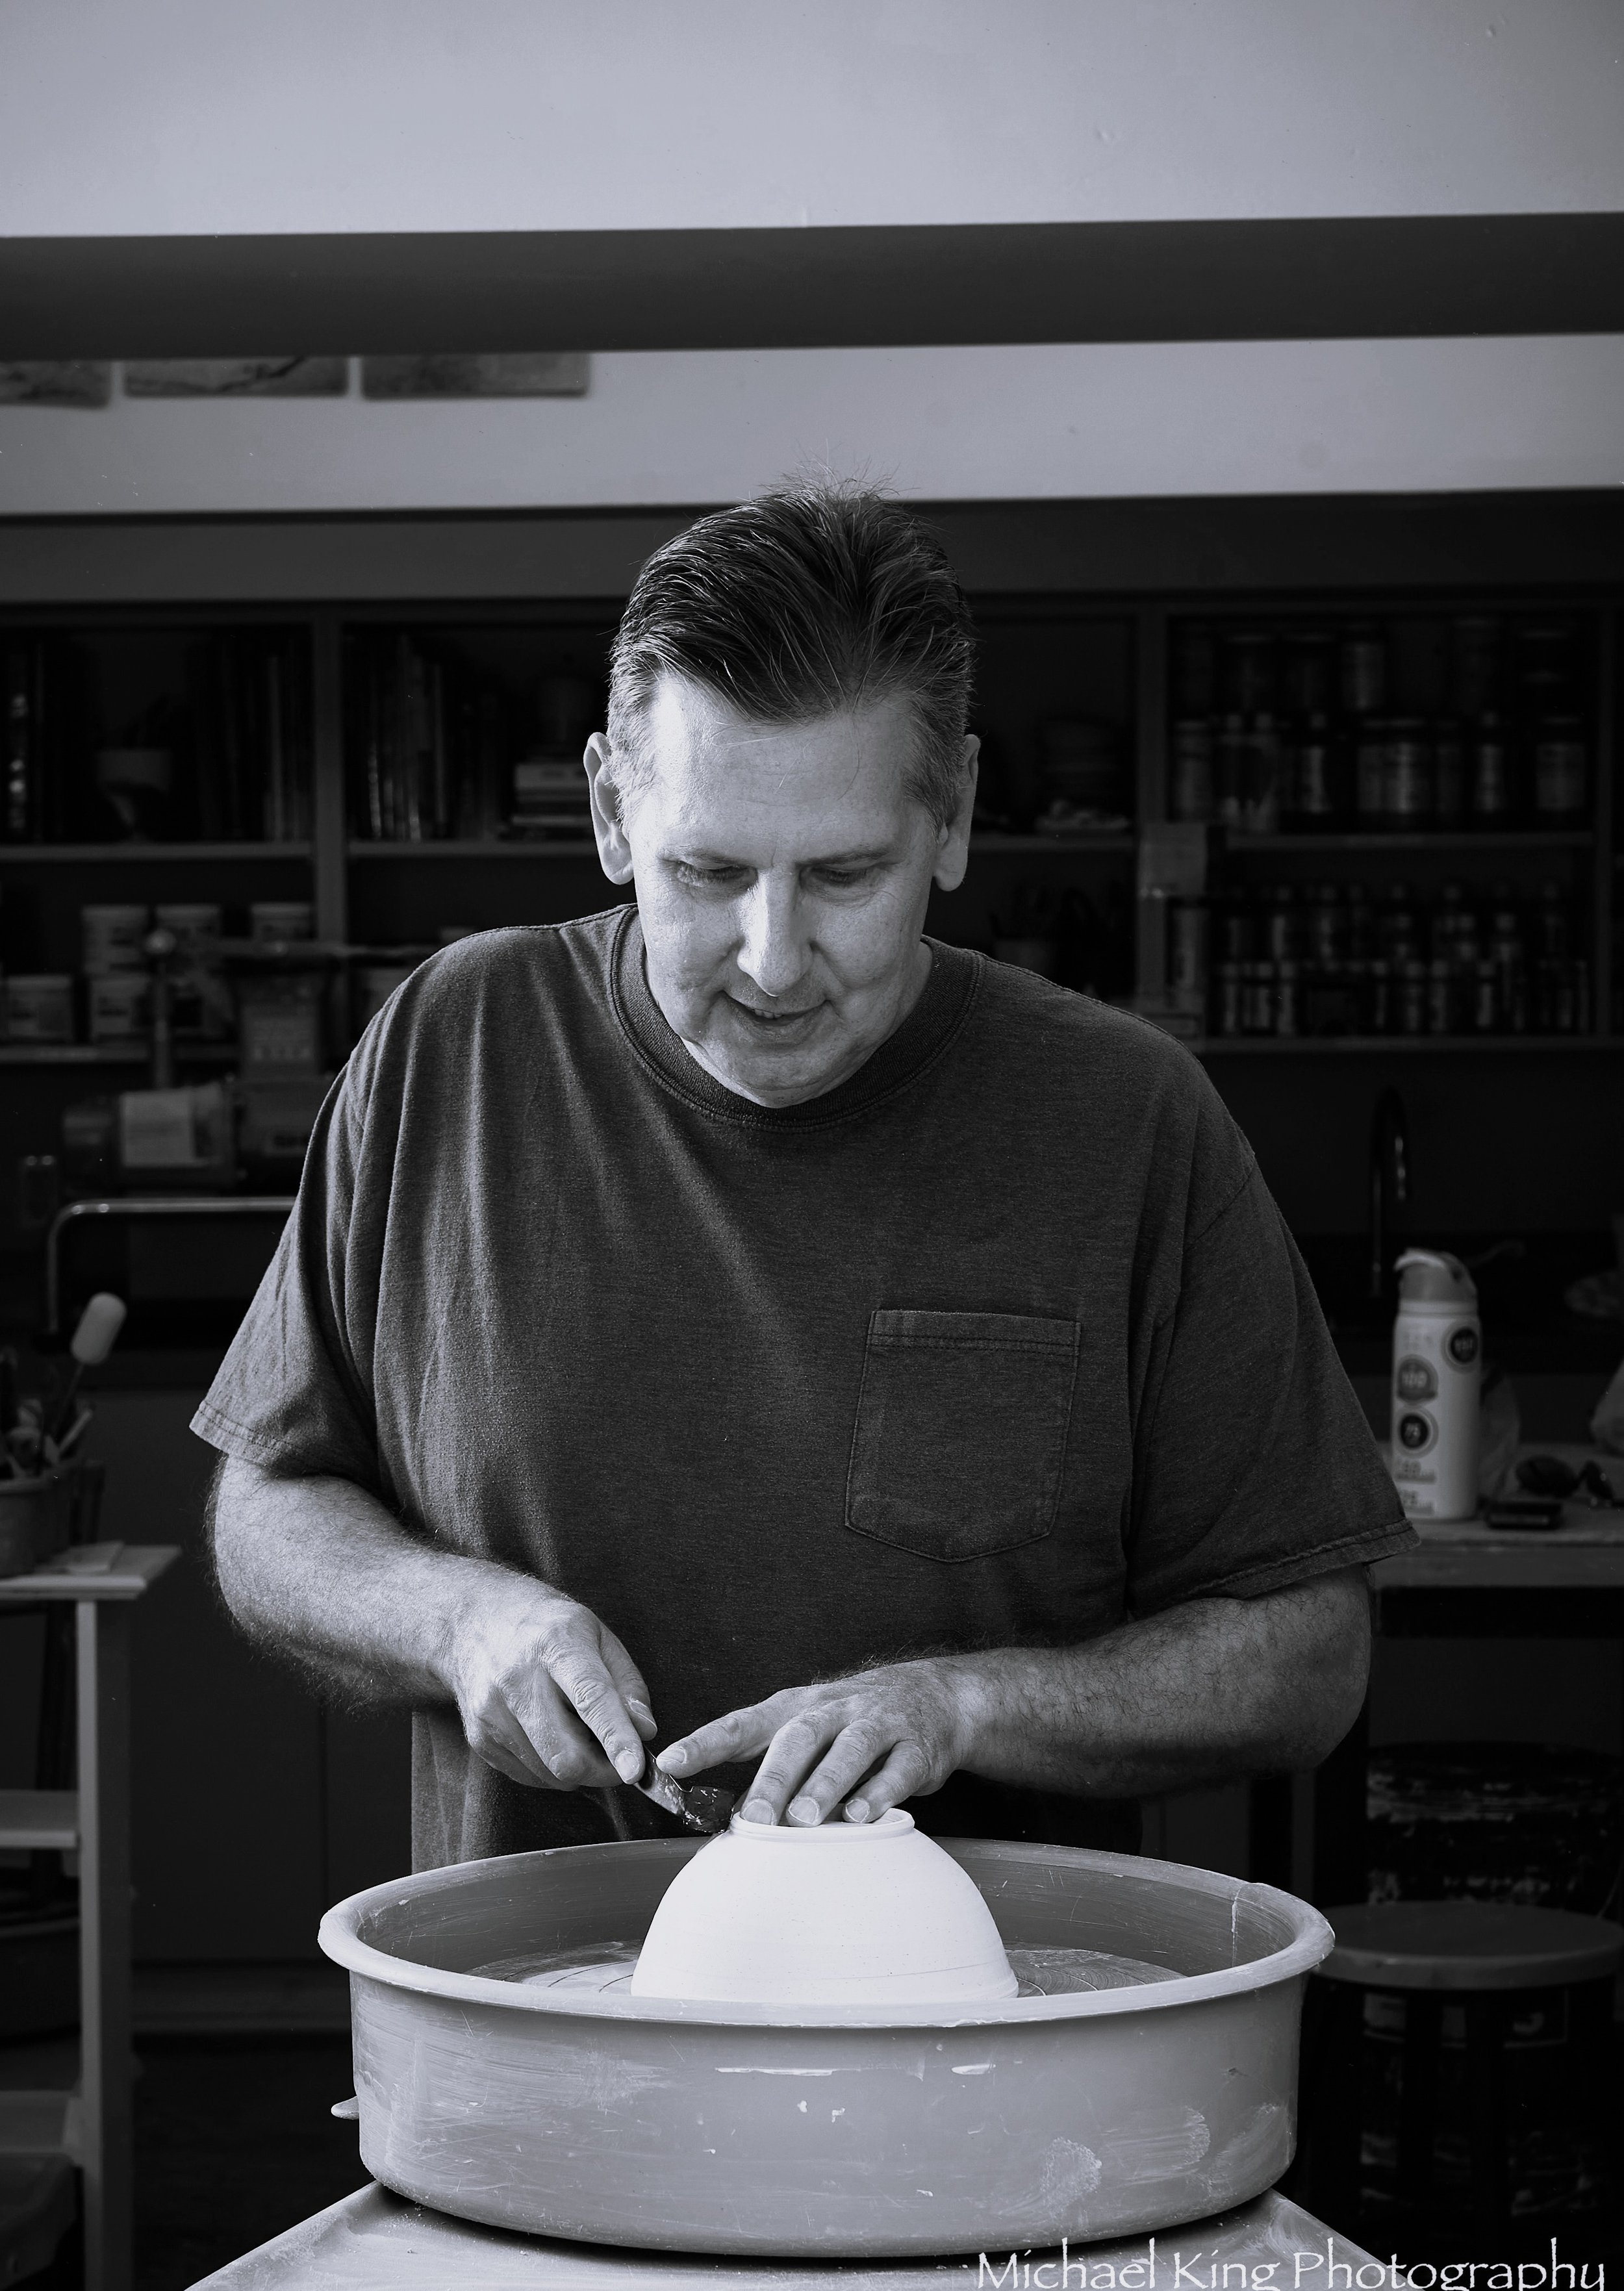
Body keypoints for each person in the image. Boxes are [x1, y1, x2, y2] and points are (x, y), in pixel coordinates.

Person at [199, 483, 1412, 1870]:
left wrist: (964, 1703)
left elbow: (1310, 1655)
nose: (772, 960)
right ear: (608, 811)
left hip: (987, 2043)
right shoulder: (449, 1049)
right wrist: (455, 1620)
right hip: (530, 2030)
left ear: (949, 817)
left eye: (842, 877)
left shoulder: (1128, 1118)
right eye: (707, 872)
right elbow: (268, 1507)